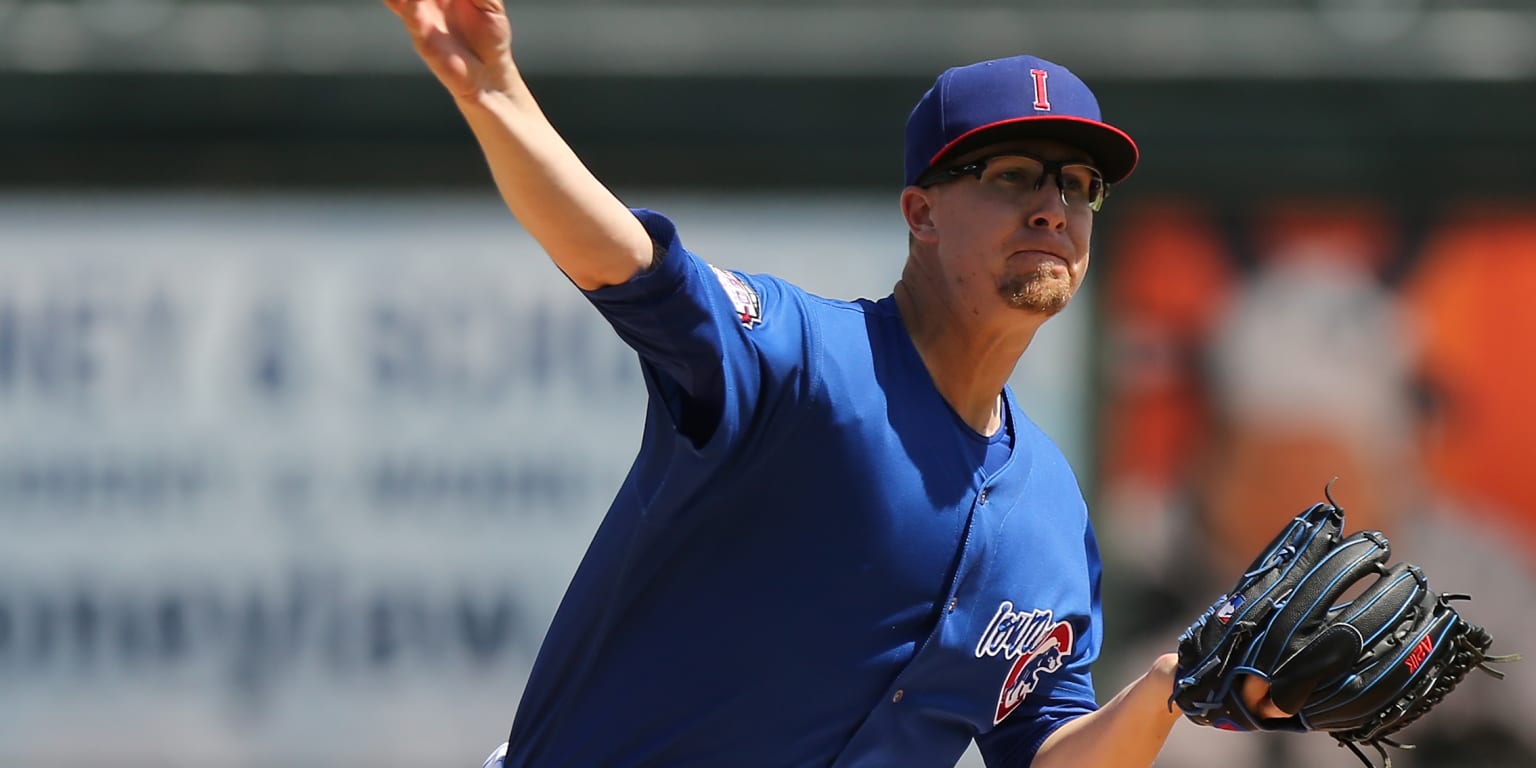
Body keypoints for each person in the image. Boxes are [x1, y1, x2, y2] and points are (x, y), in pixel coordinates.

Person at [382, 2, 1285, 765]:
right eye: (1013, 176)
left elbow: (1043, 753)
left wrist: (1174, 688)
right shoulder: (802, 359)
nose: (1054, 207)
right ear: (921, 213)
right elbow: (627, 262)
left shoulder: (1052, 512)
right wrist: (495, 92)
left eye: (1080, 185)